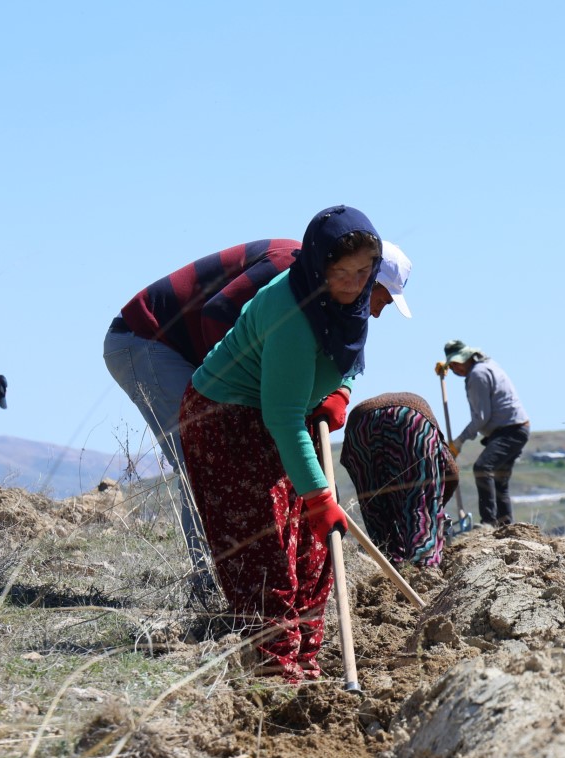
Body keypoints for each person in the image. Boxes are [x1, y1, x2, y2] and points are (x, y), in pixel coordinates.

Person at [105, 238, 412, 601]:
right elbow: (217, 314)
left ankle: (263, 585)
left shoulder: (337, 297)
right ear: (365, 279)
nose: (377, 312)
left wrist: (339, 391)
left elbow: (340, 350)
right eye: (383, 300)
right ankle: (209, 588)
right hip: (149, 339)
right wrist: (241, 400)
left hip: (183, 348)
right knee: (203, 455)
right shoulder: (290, 269)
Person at [177, 206, 384, 682]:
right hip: (226, 419)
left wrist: (341, 390)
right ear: (317, 266)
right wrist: (318, 497)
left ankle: (305, 660)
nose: (353, 283)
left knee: (313, 548)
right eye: (341, 272)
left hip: (279, 415)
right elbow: (283, 415)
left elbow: (350, 355)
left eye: (362, 271)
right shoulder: (293, 313)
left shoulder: (346, 303)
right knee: (267, 551)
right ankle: (273, 669)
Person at [339, 392, 458, 567]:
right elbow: (451, 472)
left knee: (375, 507)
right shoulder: (443, 475)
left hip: (360, 425)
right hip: (411, 420)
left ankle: (389, 565)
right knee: (420, 504)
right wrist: (434, 507)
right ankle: (423, 570)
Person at [442, 340, 530, 526]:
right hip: (517, 428)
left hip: (509, 430)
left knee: (482, 468)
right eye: (452, 365)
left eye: (458, 363)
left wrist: (459, 441)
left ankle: (488, 523)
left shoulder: (477, 374)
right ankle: (505, 527)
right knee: (499, 481)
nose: (456, 369)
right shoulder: (488, 365)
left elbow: (481, 417)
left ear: (468, 357)